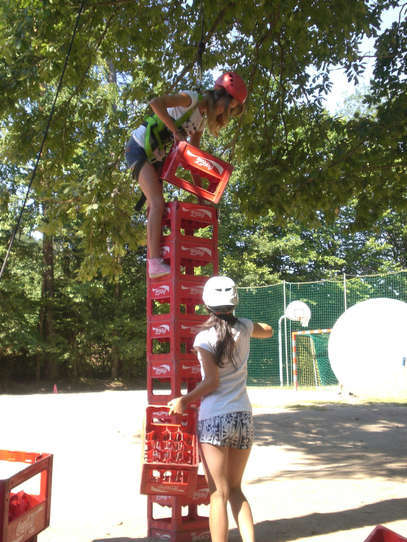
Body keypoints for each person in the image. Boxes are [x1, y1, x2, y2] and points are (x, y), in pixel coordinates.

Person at [168, 276, 273, 542]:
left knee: (218, 493)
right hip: (243, 416)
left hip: (215, 418)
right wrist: (254, 326)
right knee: (236, 489)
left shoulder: (204, 337)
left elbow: (212, 382)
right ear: (234, 301)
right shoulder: (245, 327)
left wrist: (184, 400)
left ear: (207, 304)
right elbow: (268, 330)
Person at [125, 73, 248, 279]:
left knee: (156, 207)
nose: (223, 114)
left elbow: (193, 159)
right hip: (138, 147)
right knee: (157, 203)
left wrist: (201, 196)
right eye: (227, 108)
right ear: (220, 98)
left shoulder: (200, 123)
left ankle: (156, 260)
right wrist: (175, 131)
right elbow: (155, 103)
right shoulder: (191, 99)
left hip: (154, 158)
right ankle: (154, 263)